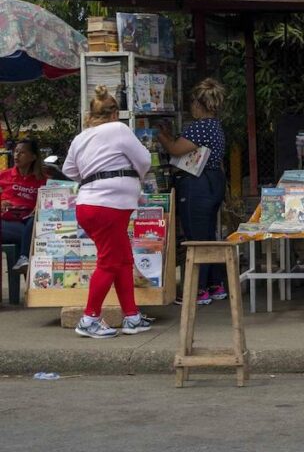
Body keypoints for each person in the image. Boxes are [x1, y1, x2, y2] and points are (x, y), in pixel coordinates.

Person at [63, 86, 153, 338]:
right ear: (115, 113)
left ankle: (132, 316)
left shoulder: (81, 137)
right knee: (110, 261)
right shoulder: (119, 129)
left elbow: (70, 171)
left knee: (123, 259)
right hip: (110, 205)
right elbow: (144, 159)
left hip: (89, 203)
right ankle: (89, 318)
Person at [157, 78, 227, 306]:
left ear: (199, 104)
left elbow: (176, 149)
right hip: (213, 181)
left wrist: (161, 136)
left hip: (197, 185)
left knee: (195, 238)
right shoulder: (215, 126)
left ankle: (197, 290)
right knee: (207, 235)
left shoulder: (199, 127)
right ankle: (215, 285)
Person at [0, 139, 46, 272]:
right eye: (16, 152)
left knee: (34, 222)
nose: (16, 155)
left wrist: (38, 208)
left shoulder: (43, 180)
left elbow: (50, 202)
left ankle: (24, 260)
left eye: (22, 153)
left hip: (29, 221)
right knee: (33, 238)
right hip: (6, 222)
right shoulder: (4, 175)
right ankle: (24, 258)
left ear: (33, 157)